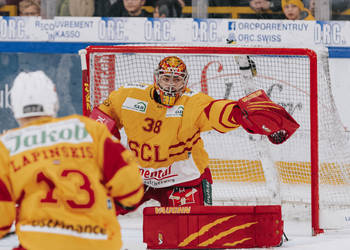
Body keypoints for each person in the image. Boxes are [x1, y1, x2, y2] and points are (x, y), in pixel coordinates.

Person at [90, 56, 299, 214]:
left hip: (183, 178)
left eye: (177, 80)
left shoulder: (193, 102)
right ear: (156, 79)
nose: (171, 84)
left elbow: (216, 112)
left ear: (185, 82)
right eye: (166, 78)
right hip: (137, 176)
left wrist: (238, 112)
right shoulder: (128, 96)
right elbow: (102, 117)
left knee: (191, 235)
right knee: (92, 212)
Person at [0, 71, 144, 250]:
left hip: (40, 243)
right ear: (54, 102)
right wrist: (123, 202)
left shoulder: (6, 146)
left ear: (14, 106)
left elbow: (2, 218)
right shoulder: (90, 130)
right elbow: (130, 186)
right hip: (100, 242)